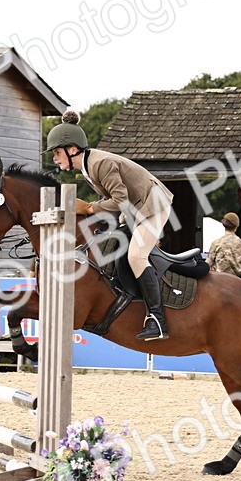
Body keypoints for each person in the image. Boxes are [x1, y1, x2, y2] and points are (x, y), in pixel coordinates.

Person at [46, 109, 175, 340]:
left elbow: (120, 200)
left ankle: (158, 320)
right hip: (134, 209)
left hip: (153, 204)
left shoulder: (100, 164)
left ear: (72, 149)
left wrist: (88, 208)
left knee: (136, 256)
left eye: (57, 152)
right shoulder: (88, 165)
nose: (54, 157)